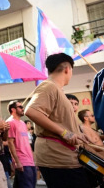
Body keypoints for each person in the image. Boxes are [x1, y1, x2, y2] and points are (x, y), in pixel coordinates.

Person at [25, 53, 90, 188]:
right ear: (67, 69)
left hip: (66, 157)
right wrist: (64, 133)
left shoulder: (58, 90)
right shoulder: (49, 86)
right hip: (58, 158)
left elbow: (60, 120)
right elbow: (31, 111)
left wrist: (77, 133)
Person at [6, 100, 36, 188]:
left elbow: (26, 142)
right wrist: (17, 162)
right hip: (22, 161)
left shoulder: (22, 123)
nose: (23, 108)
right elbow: (10, 143)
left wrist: (33, 158)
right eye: (20, 107)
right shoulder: (10, 122)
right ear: (13, 109)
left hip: (30, 160)